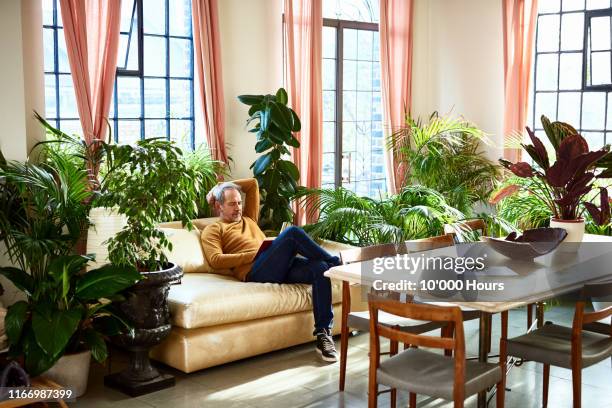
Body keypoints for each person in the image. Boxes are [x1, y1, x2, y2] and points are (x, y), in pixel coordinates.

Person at [200, 178, 340, 362]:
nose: (238, 207)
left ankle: (323, 334)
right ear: (219, 206)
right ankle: (337, 264)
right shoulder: (213, 229)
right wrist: (254, 254)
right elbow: (216, 260)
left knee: (320, 269)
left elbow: (252, 184)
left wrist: (218, 187)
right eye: (232, 204)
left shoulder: (249, 218)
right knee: (292, 234)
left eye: (239, 203)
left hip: (278, 265)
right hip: (256, 271)